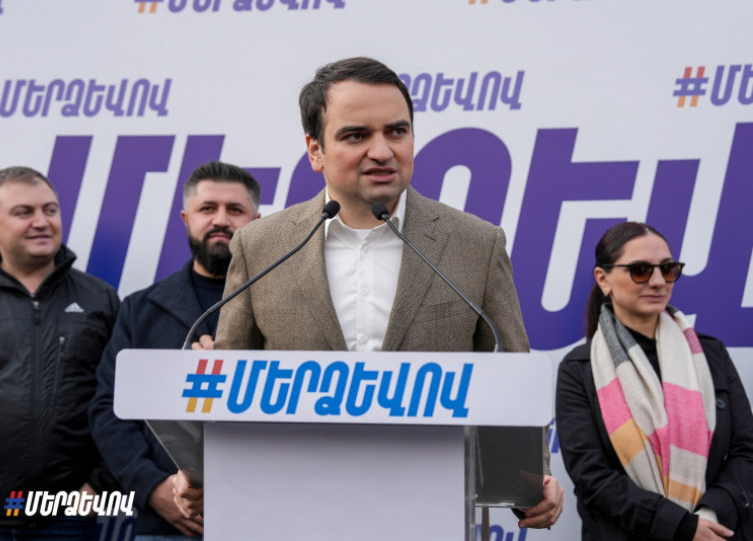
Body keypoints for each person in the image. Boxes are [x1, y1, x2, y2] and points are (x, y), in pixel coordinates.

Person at [193, 56, 563, 530]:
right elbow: (229, 384)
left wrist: (532, 484)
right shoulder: (261, 245)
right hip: (293, 516)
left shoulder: (476, 243)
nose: (383, 151)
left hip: (431, 517)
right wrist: (201, 472)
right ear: (315, 150)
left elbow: (512, 379)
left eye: (397, 131)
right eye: (356, 135)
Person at [88, 161, 261, 540]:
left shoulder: (282, 305)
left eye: (235, 209)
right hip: (165, 524)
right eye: (207, 208)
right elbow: (109, 408)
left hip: (262, 514)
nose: (221, 220)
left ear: (257, 220)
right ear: (186, 218)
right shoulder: (142, 309)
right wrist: (151, 486)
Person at [556, 221, 753, 540]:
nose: (658, 281)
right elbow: (591, 476)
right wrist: (682, 527)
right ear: (603, 279)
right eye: (640, 270)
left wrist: (710, 515)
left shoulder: (711, 354)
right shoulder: (580, 369)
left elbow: (746, 452)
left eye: (668, 269)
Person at [0, 166, 120, 539]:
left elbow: (123, 400)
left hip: (67, 518)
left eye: (50, 210)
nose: (42, 222)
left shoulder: (100, 299)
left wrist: (99, 486)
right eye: (24, 212)